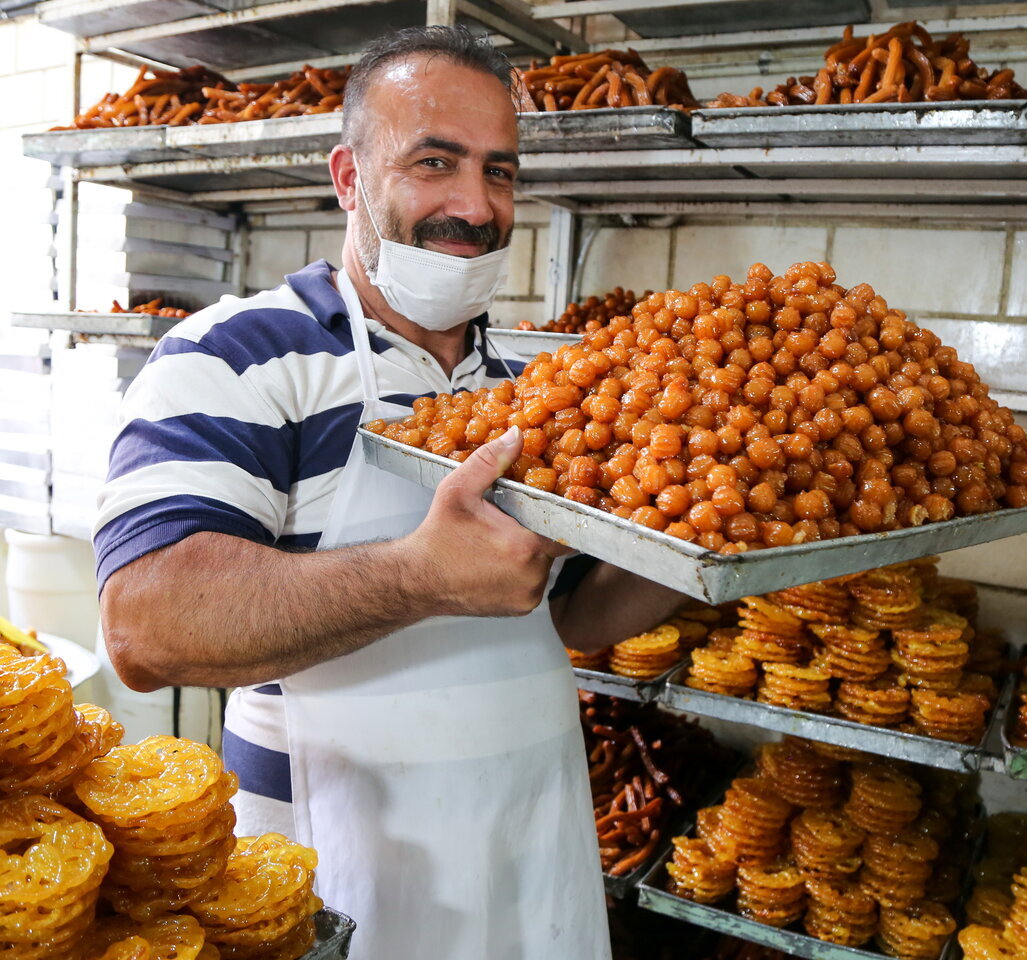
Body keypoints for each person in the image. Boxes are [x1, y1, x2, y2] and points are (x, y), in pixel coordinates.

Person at [94, 25, 684, 958]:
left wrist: (718, 559)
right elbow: (145, 625)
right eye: (434, 162)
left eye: (500, 171)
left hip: (526, 852)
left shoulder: (530, 388)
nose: (474, 203)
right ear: (349, 177)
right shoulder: (234, 357)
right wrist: (418, 576)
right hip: (322, 880)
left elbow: (567, 615)